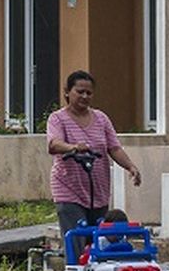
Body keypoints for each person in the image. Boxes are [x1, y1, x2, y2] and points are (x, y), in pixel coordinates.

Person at [47, 70, 142, 244]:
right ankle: (75, 268)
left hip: (98, 191)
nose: (84, 96)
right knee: (76, 237)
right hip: (69, 189)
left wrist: (130, 166)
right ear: (67, 92)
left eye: (88, 93)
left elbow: (114, 148)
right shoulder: (57, 119)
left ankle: (96, 270)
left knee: (99, 241)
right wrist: (73, 147)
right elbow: (54, 144)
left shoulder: (101, 119)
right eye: (79, 91)